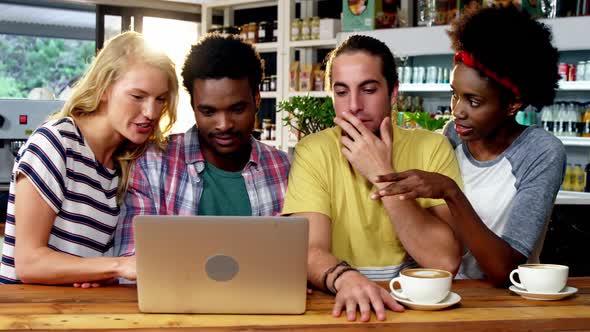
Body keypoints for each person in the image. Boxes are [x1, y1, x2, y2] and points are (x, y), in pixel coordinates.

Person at [372, 5, 565, 286]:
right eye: (455, 95)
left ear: (513, 104)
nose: (457, 111)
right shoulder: (451, 135)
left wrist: (450, 191)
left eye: (473, 101)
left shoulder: (540, 152)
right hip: (442, 291)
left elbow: (505, 270)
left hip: (505, 304)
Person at [282, 35, 463, 322]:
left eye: (368, 89)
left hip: (416, 307)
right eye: (341, 92)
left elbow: (444, 261)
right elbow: (309, 250)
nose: (353, 105)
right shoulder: (313, 151)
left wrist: (381, 175)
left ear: (393, 93)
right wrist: (347, 278)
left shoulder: (432, 148)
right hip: (339, 301)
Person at [0, 31, 179, 286]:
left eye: (160, 99)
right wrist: (118, 266)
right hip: (28, 315)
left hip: (73, 311)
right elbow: (29, 263)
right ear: (104, 89)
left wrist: (97, 273)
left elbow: (84, 262)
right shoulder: (56, 143)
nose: (151, 112)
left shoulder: (124, 162)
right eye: (137, 96)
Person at [114, 34, 290, 257]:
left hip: (265, 292)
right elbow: (132, 258)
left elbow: (296, 257)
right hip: (174, 292)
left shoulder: (284, 169)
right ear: (193, 106)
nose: (224, 125)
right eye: (209, 111)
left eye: (237, 109)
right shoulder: (152, 164)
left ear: (257, 99)